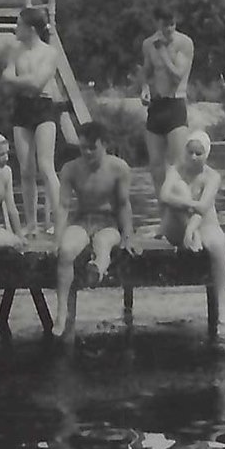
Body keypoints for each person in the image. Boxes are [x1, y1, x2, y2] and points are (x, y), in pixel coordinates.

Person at [54, 117, 135, 309]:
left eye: (92, 148)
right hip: (82, 219)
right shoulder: (71, 168)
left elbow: (124, 205)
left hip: (109, 222)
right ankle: (61, 311)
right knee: (66, 250)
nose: (87, 153)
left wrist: (128, 236)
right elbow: (64, 206)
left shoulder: (119, 168)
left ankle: (97, 269)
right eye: (83, 148)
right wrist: (57, 237)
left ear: (104, 144)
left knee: (102, 243)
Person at [1, 5, 64, 234]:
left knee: (46, 166)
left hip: (44, 107)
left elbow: (38, 84)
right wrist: (24, 80)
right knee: (26, 169)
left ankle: (58, 221)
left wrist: (19, 80)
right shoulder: (15, 51)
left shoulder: (49, 52)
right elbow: (5, 77)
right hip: (22, 107)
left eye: (19, 24)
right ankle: (31, 224)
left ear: (31, 28)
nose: (15, 28)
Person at [158, 129, 225, 305]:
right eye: (190, 152)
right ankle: (192, 235)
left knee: (218, 244)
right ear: (184, 152)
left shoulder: (212, 176)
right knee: (179, 188)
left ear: (206, 154)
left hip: (204, 224)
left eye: (199, 153)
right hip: (176, 225)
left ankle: (221, 301)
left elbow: (203, 209)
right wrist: (190, 204)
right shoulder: (175, 170)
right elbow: (164, 196)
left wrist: (191, 229)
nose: (193, 157)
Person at [140, 5, 195, 178]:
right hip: (157, 105)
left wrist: (163, 53)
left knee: (177, 163)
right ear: (158, 24)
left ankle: (180, 201)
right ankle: (161, 204)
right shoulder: (149, 44)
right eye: (165, 25)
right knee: (156, 165)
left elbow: (178, 75)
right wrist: (144, 88)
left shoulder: (184, 43)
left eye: (172, 24)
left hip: (175, 103)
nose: (170, 29)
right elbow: (147, 71)